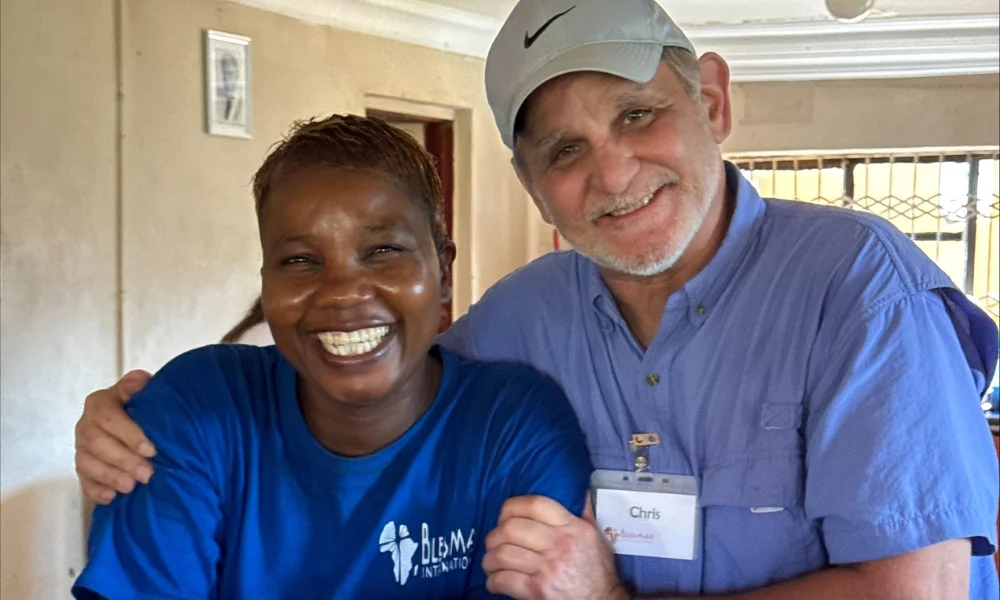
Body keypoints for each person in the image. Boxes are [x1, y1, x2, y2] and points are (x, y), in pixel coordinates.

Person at [75, 1, 1000, 598]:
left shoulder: (854, 284)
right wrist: (142, 416)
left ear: (712, 102)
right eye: (562, 150)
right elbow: (368, 353)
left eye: (638, 114)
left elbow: (914, 592)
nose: (612, 170)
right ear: (529, 186)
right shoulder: (526, 320)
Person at [71, 114, 592, 599]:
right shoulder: (197, 408)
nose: (342, 292)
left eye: (383, 251)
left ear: (444, 273)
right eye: (300, 260)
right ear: (266, 285)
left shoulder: (514, 426)